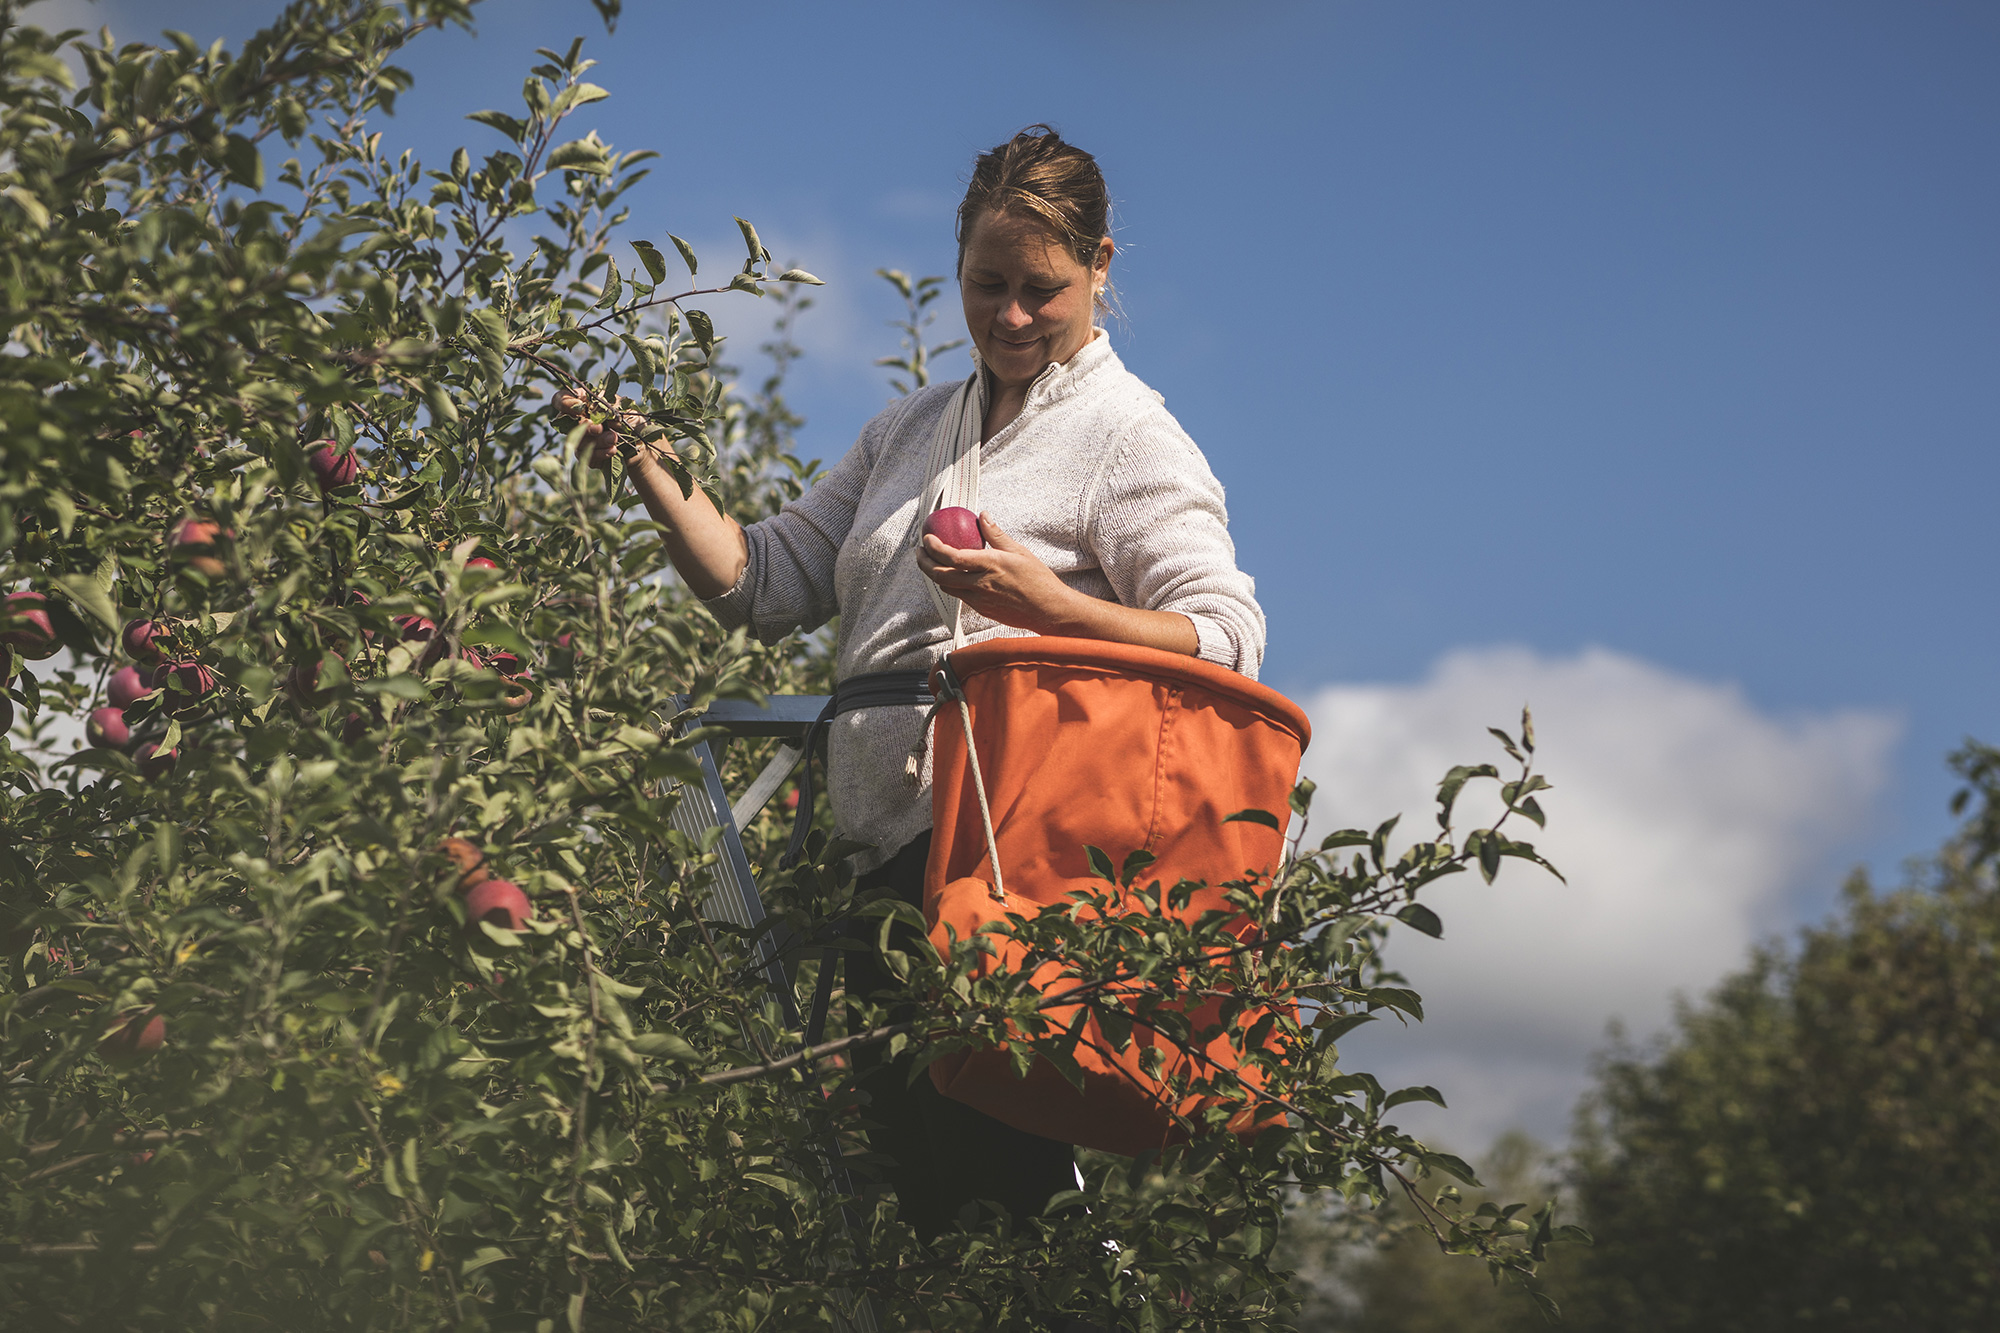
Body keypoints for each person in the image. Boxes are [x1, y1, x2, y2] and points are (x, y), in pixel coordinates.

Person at [563, 125, 1266, 1239]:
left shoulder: (1126, 434)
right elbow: (763, 579)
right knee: (923, 1192)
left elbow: (1229, 633)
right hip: (885, 860)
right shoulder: (905, 429)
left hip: (1010, 865)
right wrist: (646, 460)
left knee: (1000, 1187)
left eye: (1041, 288)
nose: (1011, 315)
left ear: (1099, 269)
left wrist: (1055, 609)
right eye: (986, 285)